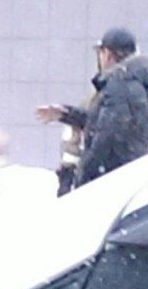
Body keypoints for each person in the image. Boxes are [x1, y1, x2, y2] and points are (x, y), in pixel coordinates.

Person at [37, 27, 148, 189]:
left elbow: (107, 136)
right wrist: (67, 114)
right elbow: (108, 121)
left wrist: (83, 180)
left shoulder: (121, 85)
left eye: (100, 53)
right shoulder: (134, 84)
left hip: (114, 182)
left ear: (108, 54)